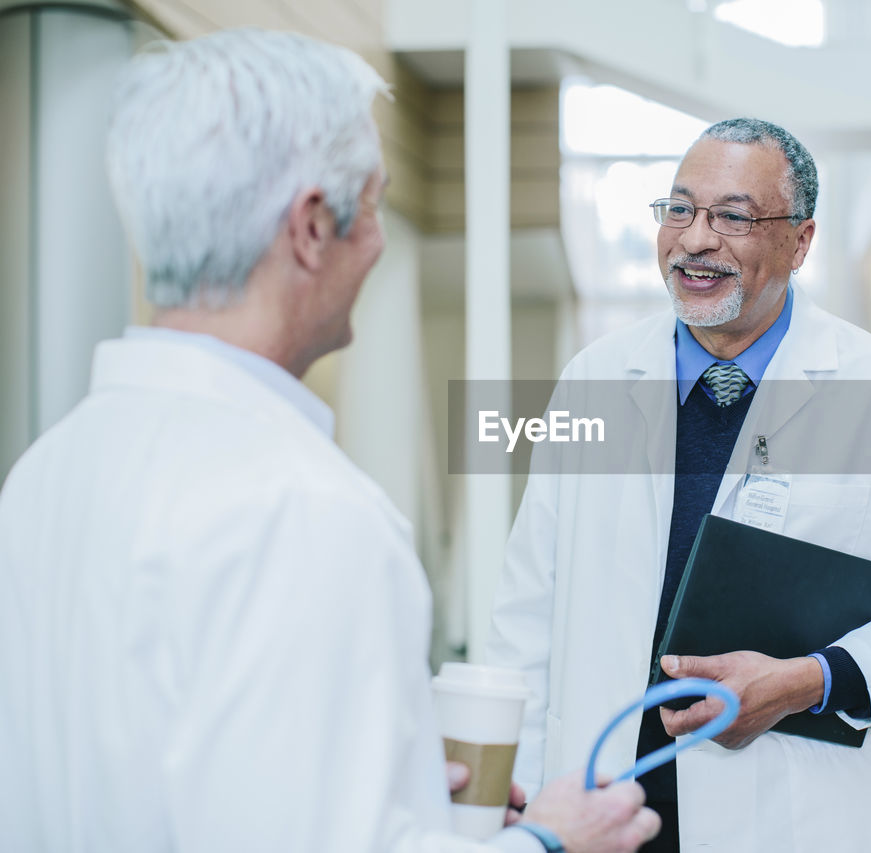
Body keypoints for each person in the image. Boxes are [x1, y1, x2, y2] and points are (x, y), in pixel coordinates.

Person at [0, 29, 658, 853]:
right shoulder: (304, 510)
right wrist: (552, 841)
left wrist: (400, 779)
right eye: (376, 204)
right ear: (313, 227)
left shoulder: (45, 472)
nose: (378, 242)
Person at [487, 119, 871, 851]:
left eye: (733, 216)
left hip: (792, 818)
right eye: (679, 209)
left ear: (800, 242)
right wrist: (504, 802)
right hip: (599, 812)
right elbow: (526, 613)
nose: (696, 239)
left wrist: (811, 678)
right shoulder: (594, 380)